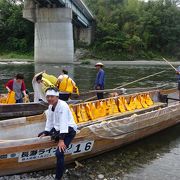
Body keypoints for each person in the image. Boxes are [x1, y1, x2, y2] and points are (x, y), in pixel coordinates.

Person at [38, 87, 77, 180]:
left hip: (69, 130)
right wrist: (47, 131)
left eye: (52, 96)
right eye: (48, 97)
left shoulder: (63, 105)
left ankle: (58, 177)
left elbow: (64, 123)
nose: (49, 99)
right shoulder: (51, 106)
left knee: (59, 153)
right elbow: (50, 121)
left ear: (57, 97)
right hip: (58, 129)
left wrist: (61, 140)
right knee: (41, 134)